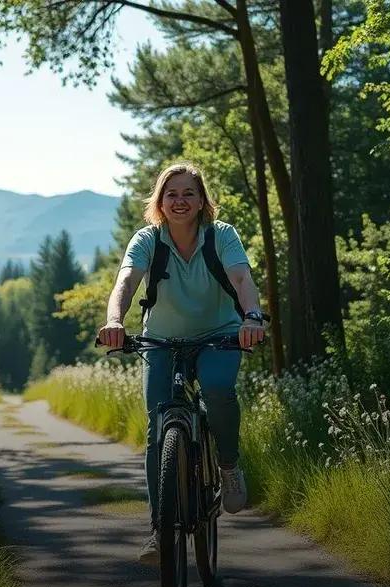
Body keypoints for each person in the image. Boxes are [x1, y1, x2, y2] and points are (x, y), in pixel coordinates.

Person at [96, 163, 267, 565]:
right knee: (159, 428)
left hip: (220, 334)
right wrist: (115, 320)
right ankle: (160, 530)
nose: (180, 201)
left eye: (189, 193)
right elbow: (125, 282)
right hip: (162, 341)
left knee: (217, 389)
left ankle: (227, 465)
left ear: (202, 199)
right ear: (159, 200)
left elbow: (242, 279)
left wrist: (252, 316)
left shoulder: (221, 235)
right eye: (171, 194)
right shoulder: (147, 240)